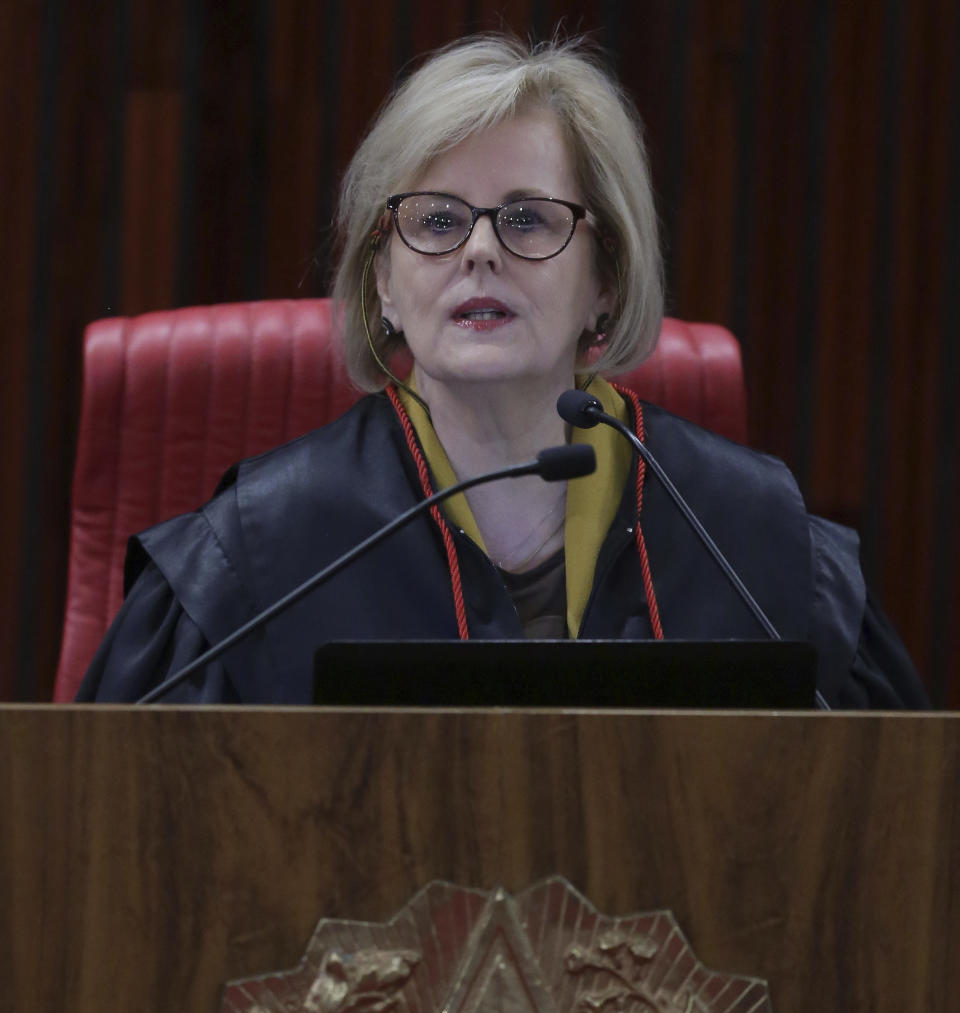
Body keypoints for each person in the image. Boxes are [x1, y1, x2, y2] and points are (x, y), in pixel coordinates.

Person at [77, 33, 926, 707]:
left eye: (527, 218)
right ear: (383, 284)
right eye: (437, 221)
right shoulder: (251, 567)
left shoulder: (754, 548)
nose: (480, 251)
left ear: (606, 281)